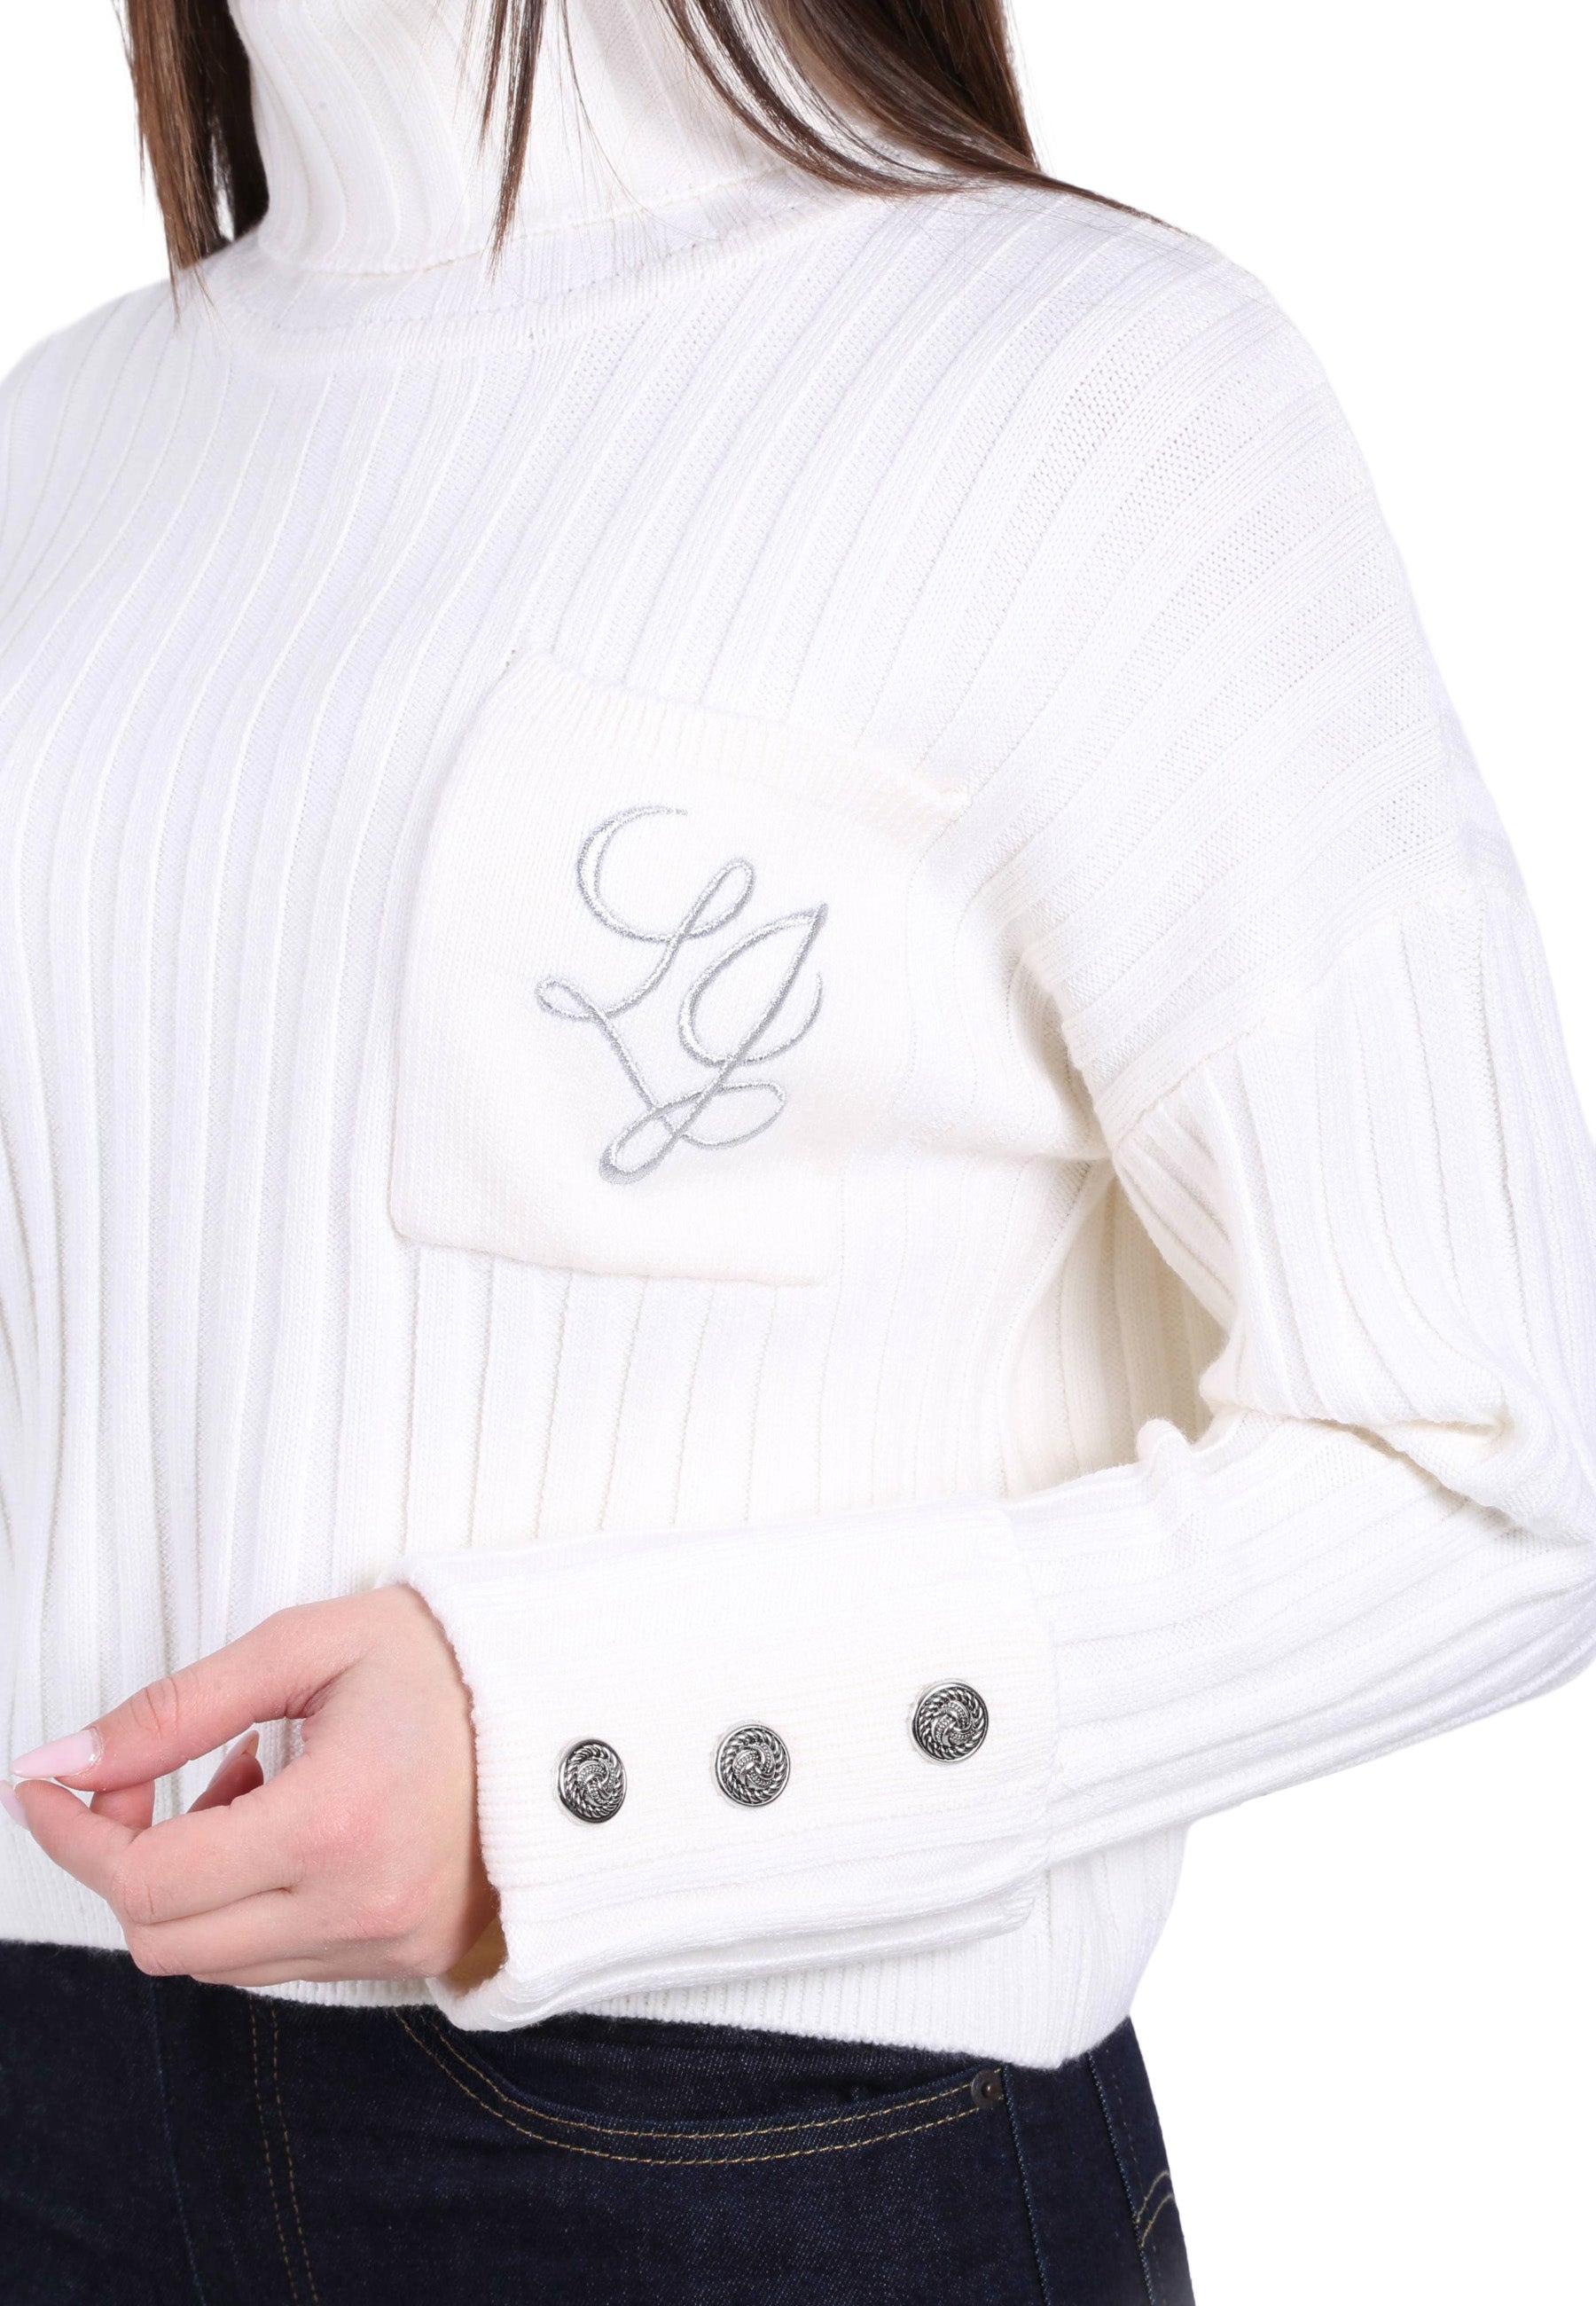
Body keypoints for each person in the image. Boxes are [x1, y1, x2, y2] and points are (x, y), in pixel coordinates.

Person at [1, 0, 1592, 2296]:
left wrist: (584, 1761)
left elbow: (1495, 1465)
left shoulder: (1085, 391)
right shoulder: (64, 443)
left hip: (746, 2160)